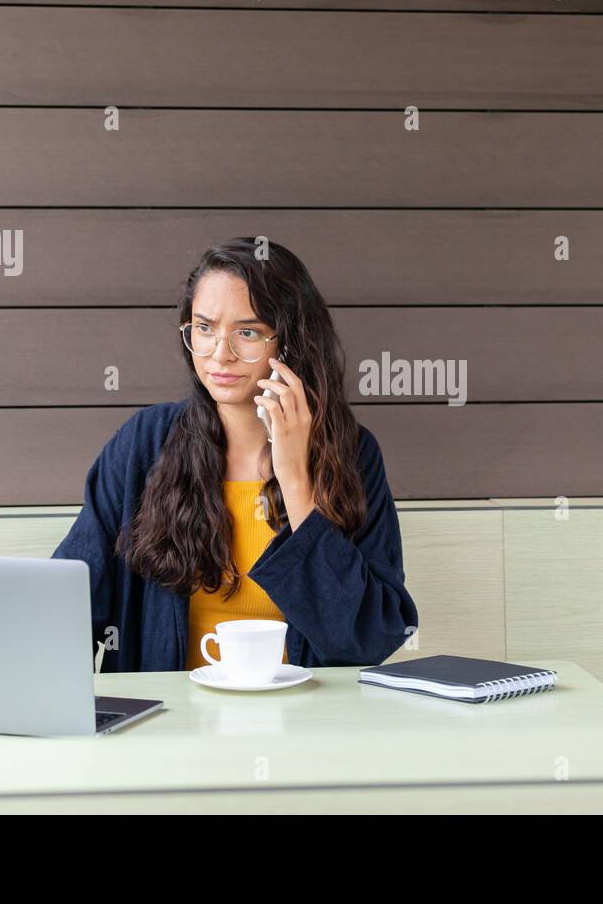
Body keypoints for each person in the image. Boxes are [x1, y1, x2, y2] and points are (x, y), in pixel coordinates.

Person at [52, 237, 417, 671]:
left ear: (291, 342)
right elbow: (68, 607)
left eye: (247, 333)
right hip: (172, 725)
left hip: (306, 725)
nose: (219, 355)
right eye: (204, 328)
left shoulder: (353, 454)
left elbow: (368, 640)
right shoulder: (144, 443)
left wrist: (296, 479)